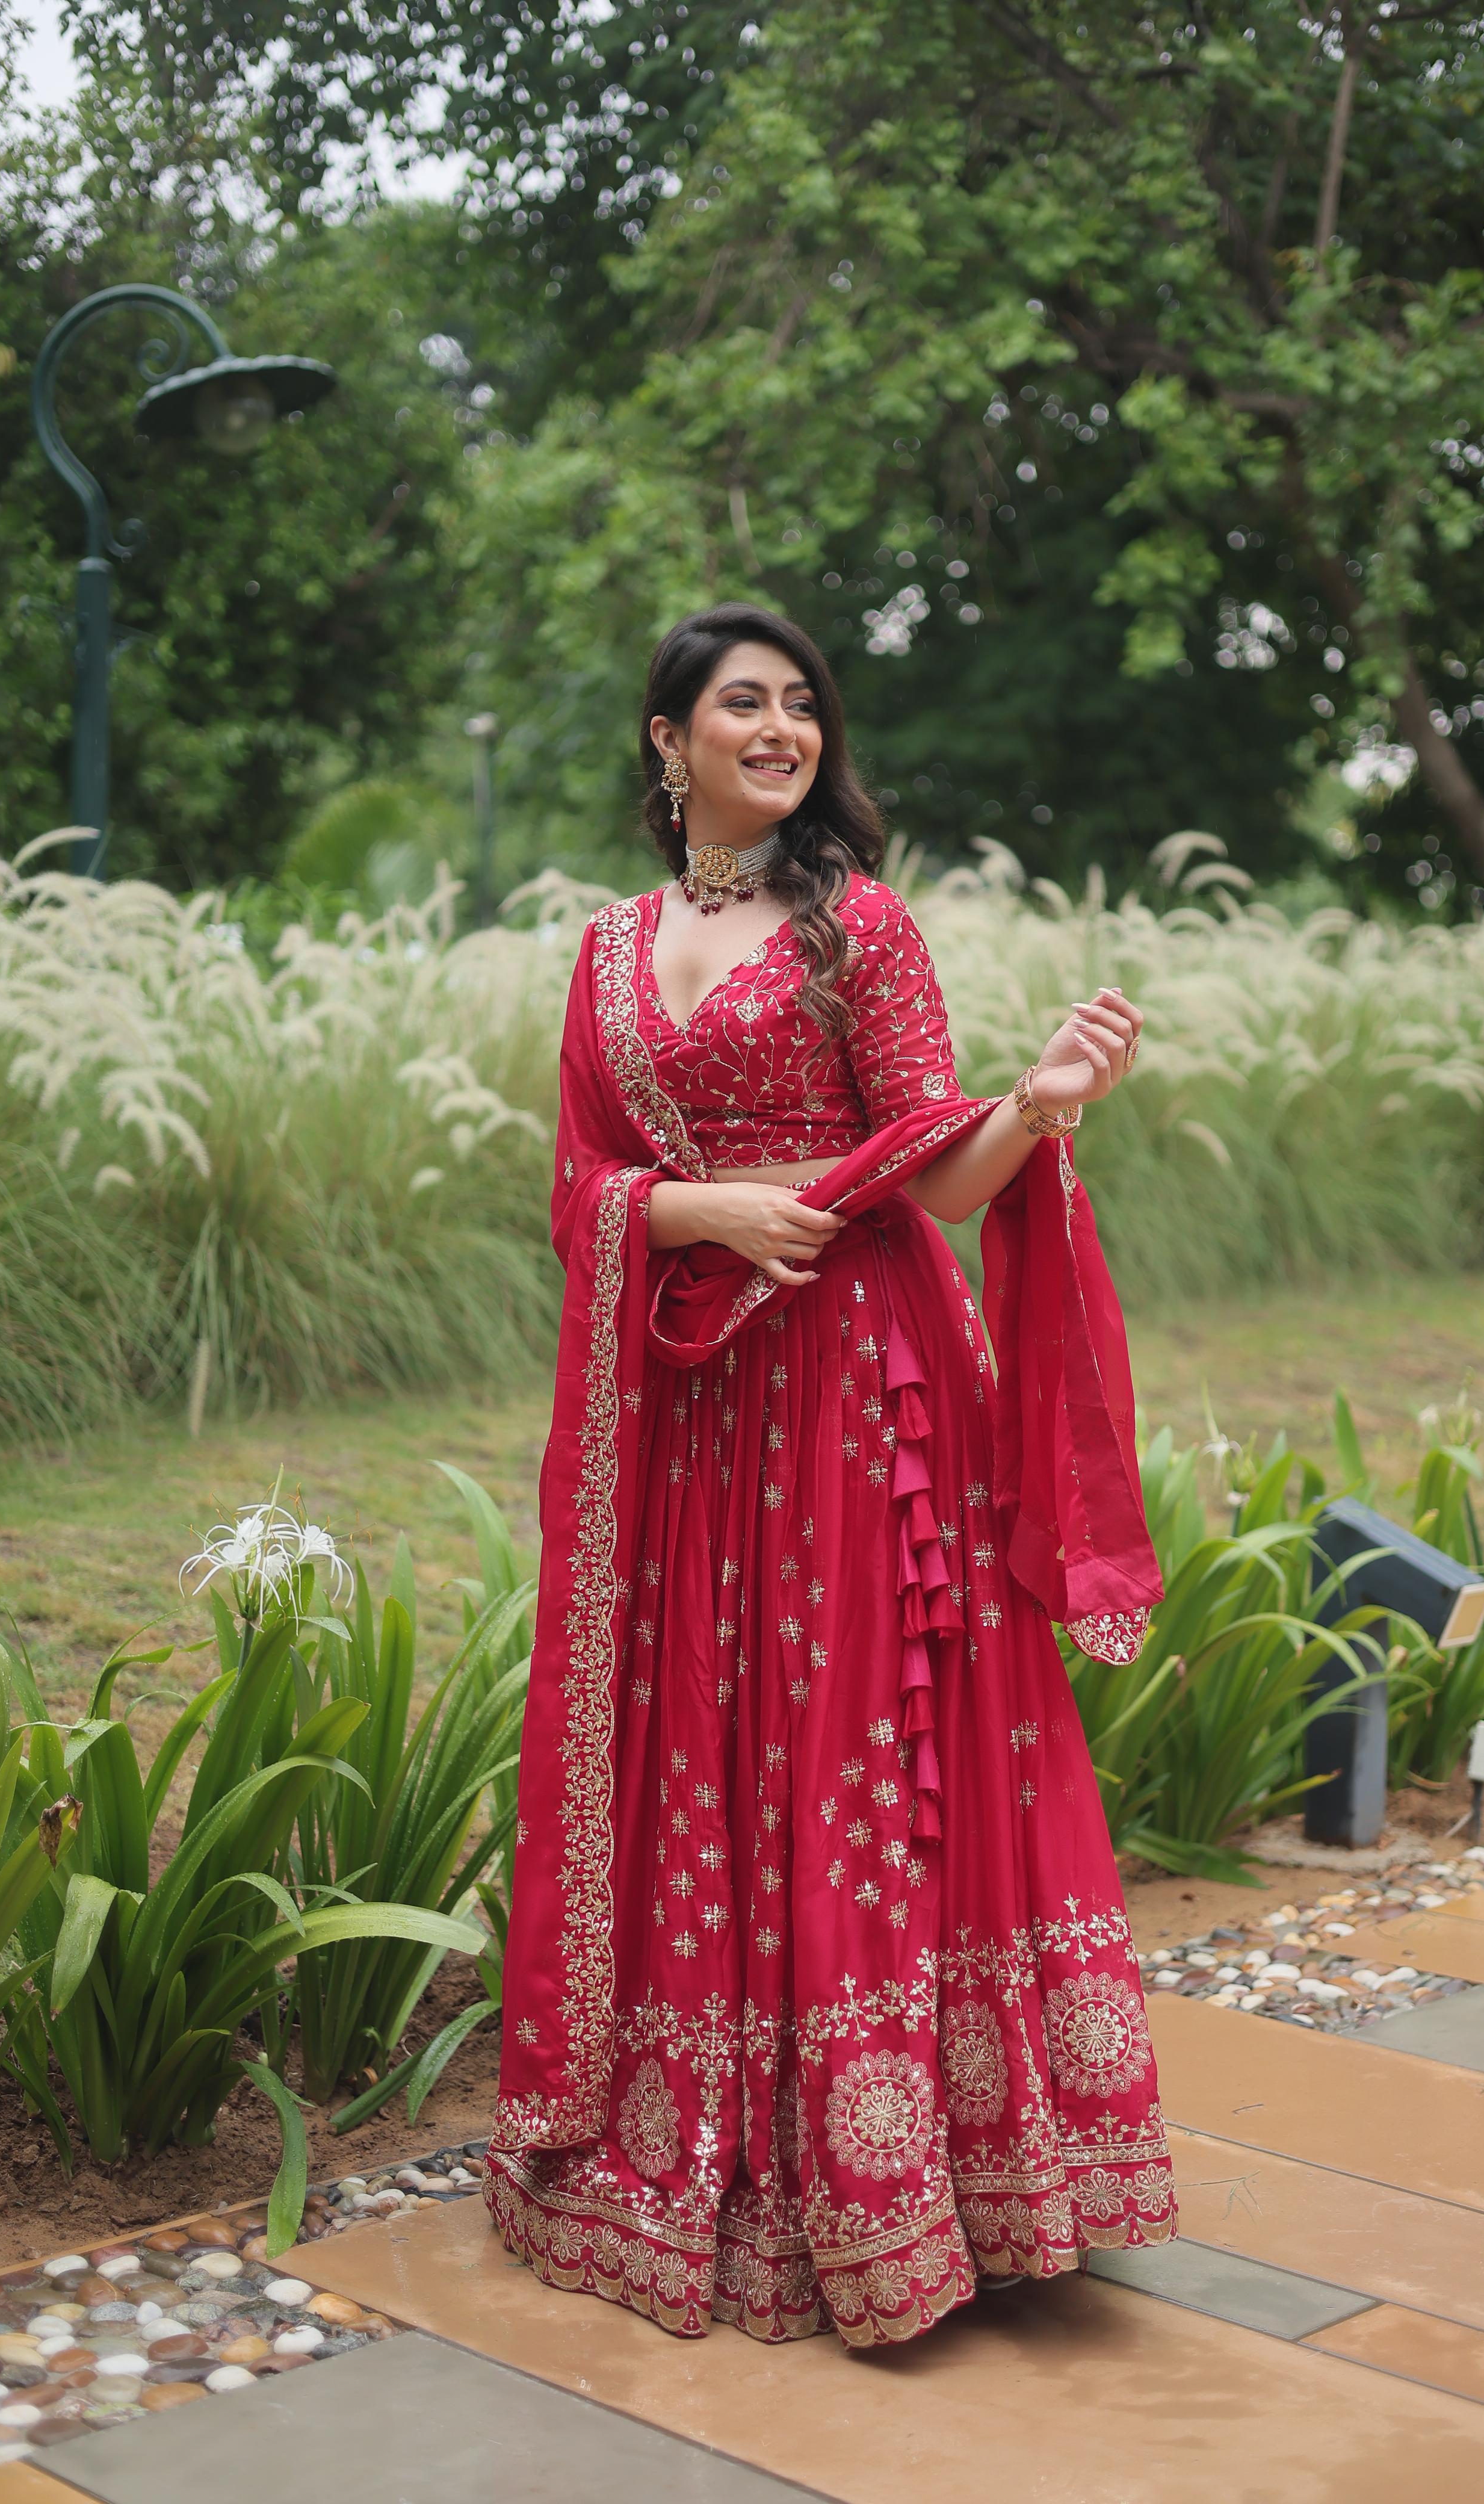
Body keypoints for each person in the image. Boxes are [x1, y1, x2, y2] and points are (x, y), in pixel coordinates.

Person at [484, 603, 1176, 2351]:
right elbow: (578, 1182)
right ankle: (691, 2152)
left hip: (858, 1394)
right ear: (669, 740)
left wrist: (1041, 1102)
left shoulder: (856, 927)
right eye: (743, 705)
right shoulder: (607, 953)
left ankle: (892, 2191)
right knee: (707, 1743)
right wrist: (693, 1209)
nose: (781, 730)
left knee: (848, 1748)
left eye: (803, 707)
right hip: (691, 1407)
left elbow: (937, 1173)